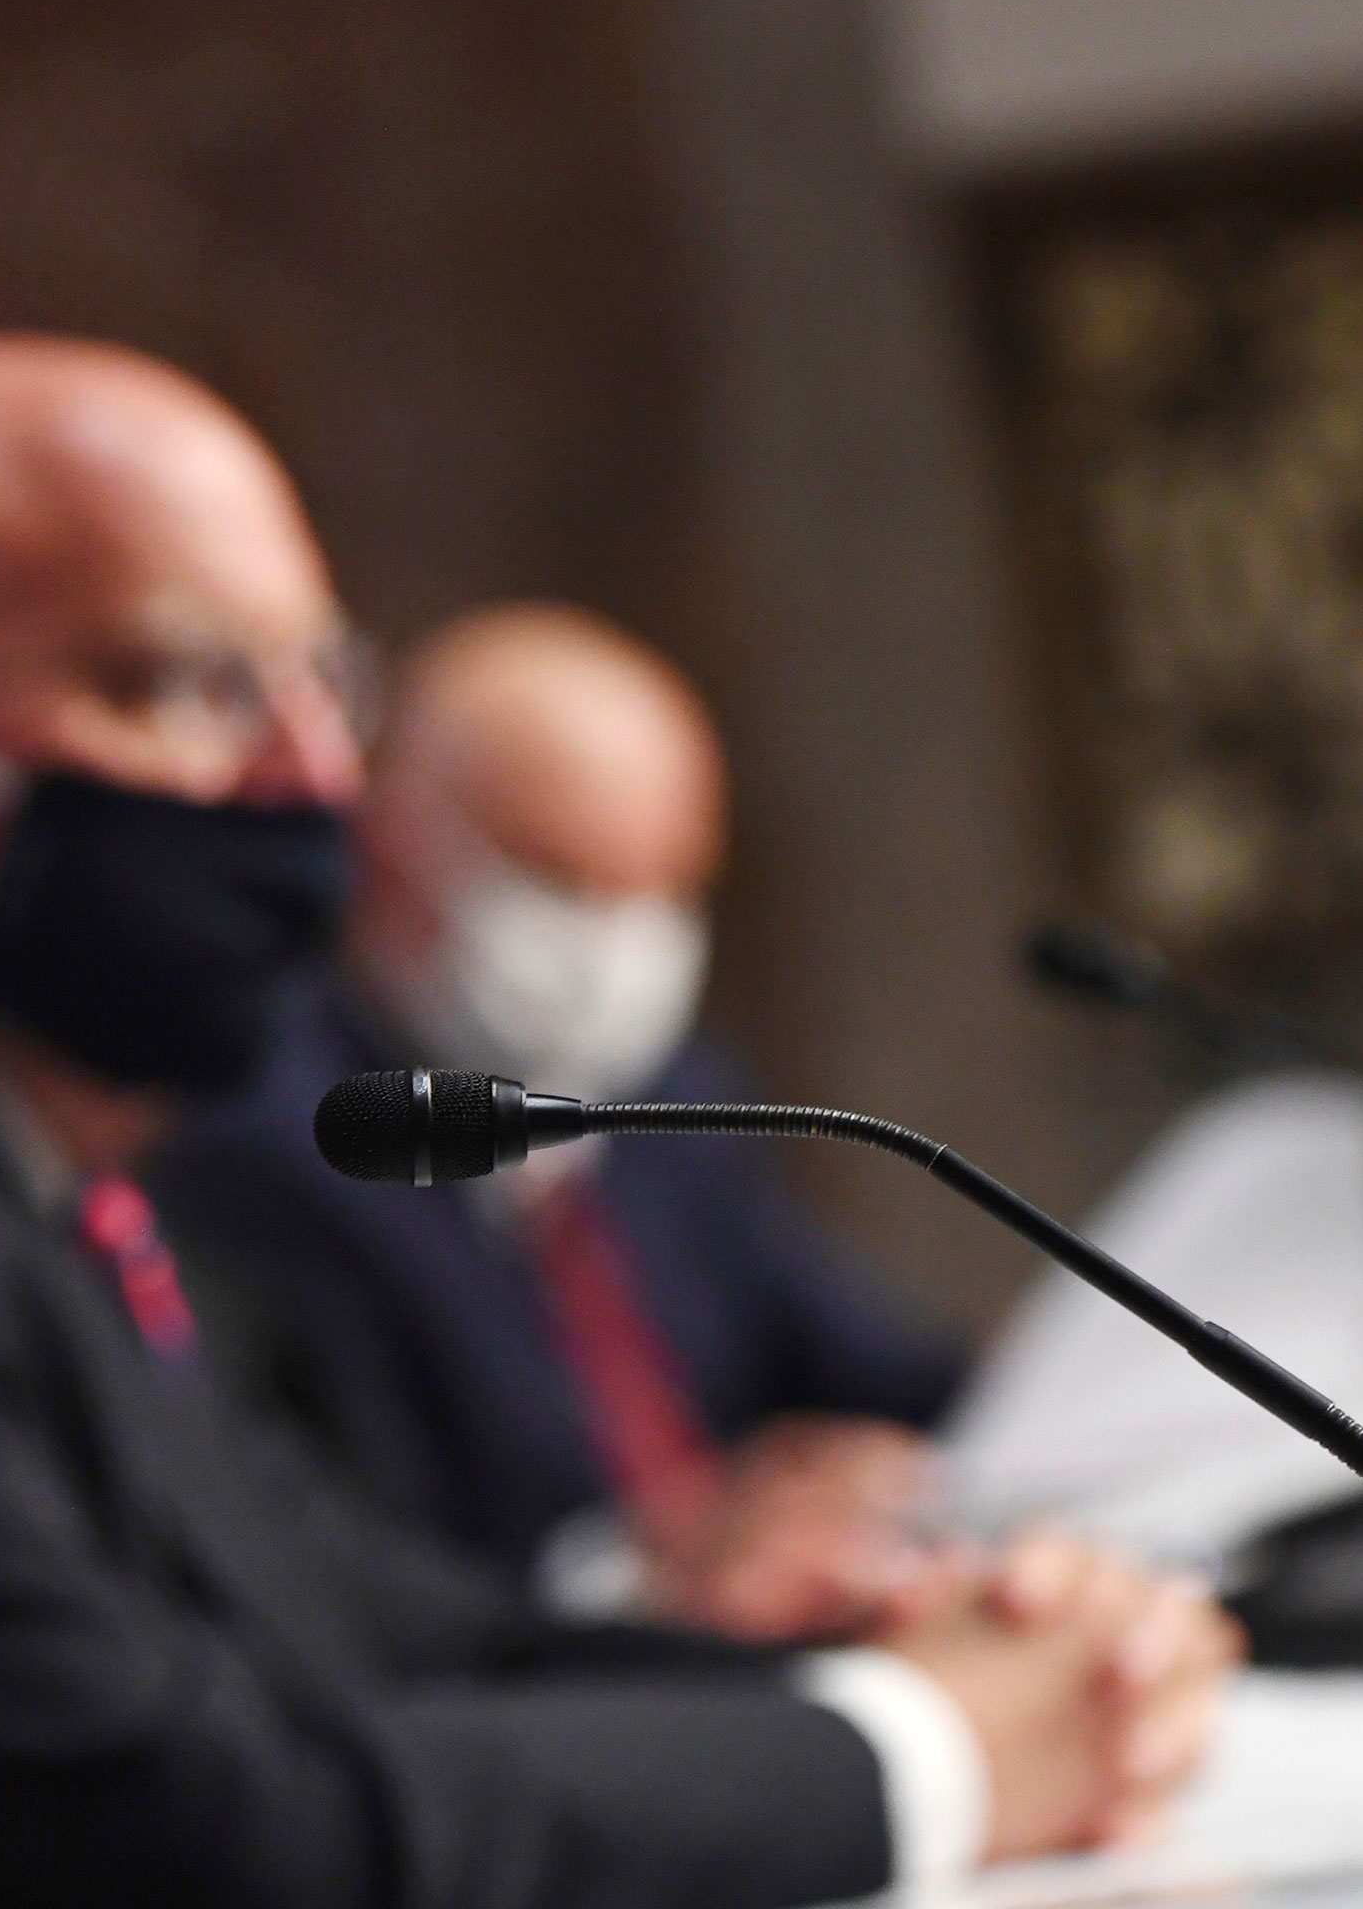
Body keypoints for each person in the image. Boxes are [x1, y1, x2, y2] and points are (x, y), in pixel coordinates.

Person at [0, 333, 1238, 1909]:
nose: (322, 779)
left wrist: (904, 1654)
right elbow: (204, 1840)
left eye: (326, 679)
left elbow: (353, 1624)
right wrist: (940, 1749)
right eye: (191, 682)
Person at [149, 605, 970, 1642]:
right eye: (567, 885)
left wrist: (886, 1467)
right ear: (396, 849)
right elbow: (315, 1554)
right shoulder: (263, 1132)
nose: (619, 952)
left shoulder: (679, 1090)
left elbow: (866, 1367)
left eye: (668, 893)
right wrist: (636, 1576)